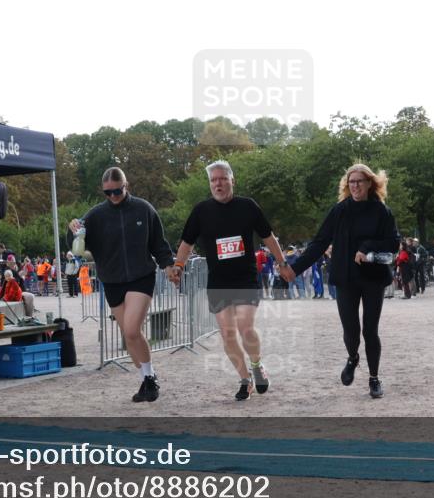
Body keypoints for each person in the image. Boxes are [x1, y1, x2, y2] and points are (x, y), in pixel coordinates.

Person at [170, 160, 289, 401]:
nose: (218, 183)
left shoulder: (248, 206)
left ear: (232, 180)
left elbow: (268, 236)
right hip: (218, 281)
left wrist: (282, 262)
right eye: (213, 180)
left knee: (246, 328)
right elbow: (186, 242)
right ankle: (245, 379)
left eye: (222, 178)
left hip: (245, 278)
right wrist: (179, 266)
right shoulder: (201, 211)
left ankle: (257, 365)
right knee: (227, 334)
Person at [286, 163, 400, 399]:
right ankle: (352, 357)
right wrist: (295, 268)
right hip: (345, 277)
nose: (355, 185)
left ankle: (374, 378)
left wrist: (366, 247)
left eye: (360, 181)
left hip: (373, 277)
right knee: (351, 330)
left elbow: (393, 243)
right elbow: (318, 243)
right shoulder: (340, 211)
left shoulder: (382, 212)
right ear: (347, 185)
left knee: (371, 330)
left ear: (370, 183)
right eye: (351, 182)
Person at [70, 167, 176, 403]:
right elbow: (77, 241)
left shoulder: (143, 208)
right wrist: (73, 229)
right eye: (108, 193)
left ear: (126, 185)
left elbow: (159, 243)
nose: (114, 196)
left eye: (118, 191)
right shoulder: (95, 215)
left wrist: (168, 265)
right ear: (103, 191)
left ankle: (150, 380)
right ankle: (148, 378)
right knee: (129, 336)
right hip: (112, 280)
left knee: (130, 329)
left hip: (141, 276)